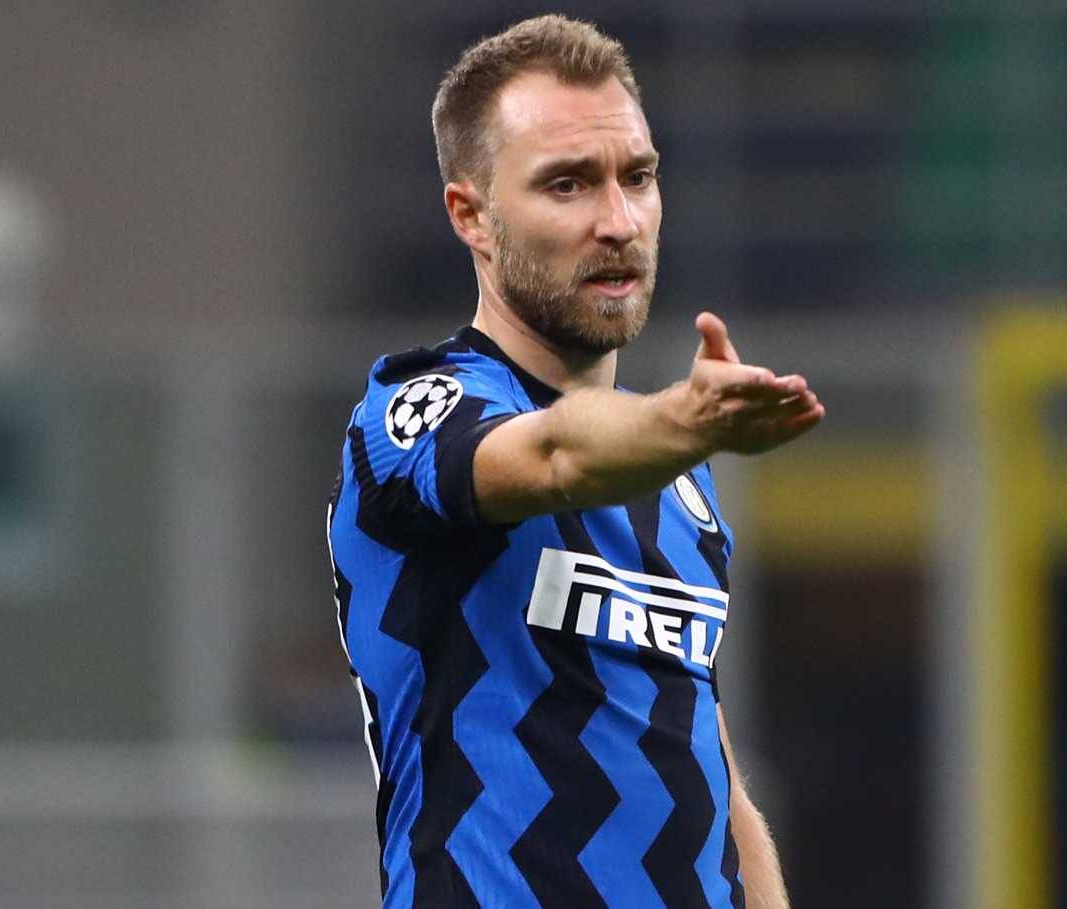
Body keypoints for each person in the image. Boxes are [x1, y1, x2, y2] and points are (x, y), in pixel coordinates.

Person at [326, 14, 823, 909]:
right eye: (568, 184)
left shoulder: (682, 481)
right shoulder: (411, 416)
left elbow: (706, 762)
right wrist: (685, 420)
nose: (618, 221)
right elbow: (555, 455)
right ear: (472, 215)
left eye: (638, 177)